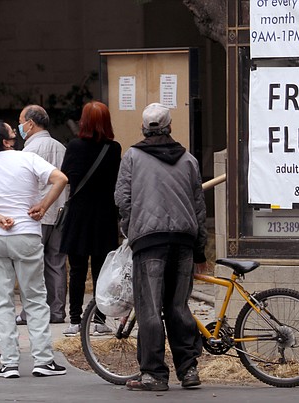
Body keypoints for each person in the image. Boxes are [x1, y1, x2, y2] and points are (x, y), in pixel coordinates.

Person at [0, 120, 68, 379]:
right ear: (8, 141)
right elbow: (60, 179)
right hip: (26, 234)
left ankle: (9, 362)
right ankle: (43, 360)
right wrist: (42, 205)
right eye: (12, 133)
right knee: (35, 299)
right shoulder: (27, 158)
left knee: (2, 301)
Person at [114, 103, 207, 391]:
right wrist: (200, 248)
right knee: (178, 306)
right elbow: (198, 206)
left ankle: (154, 374)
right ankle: (188, 370)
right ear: (170, 127)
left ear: (143, 128)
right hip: (183, 241)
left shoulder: (132, 157)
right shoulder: (188, 159)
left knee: (150, 308)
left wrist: (132, 231)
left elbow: (122, 199)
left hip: (149, 242)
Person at [59, 101, 121, 336]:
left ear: (83, 121)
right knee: (100, 270)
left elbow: (65, 175)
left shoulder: (74, 146)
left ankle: (75, 320)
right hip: (104, 214)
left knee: (76, 269)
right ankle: (98, 319)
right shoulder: (114, 149)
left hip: (78, 213)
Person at [17, 104, 68, 324]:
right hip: (59, 212)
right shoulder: (61, 148)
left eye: (21, 121)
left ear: (30, 123)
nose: (19, 126)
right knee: (57, 263)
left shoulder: (27, 152)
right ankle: (57, 312)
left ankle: (31, 312)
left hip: (35, 215)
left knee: (31, 266)